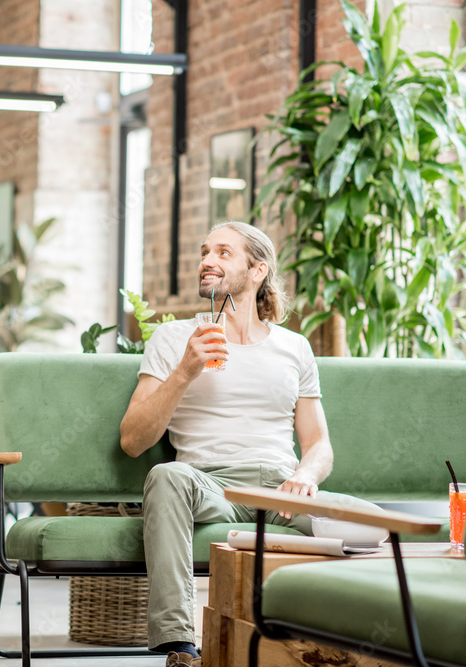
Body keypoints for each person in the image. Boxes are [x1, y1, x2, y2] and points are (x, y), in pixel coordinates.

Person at [119, 221, 378, 667]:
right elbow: (132, 440)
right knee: (166, 475)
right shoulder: (174, 338)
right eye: (204, 252)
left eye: (223, 252)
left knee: (375, 525)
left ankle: (346, 643)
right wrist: (185, 371)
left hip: (281, 492)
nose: (206, 261)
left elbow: (318, 444)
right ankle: (179, 645)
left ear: (258, 271)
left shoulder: (293, 348)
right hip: (209, 486)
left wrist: (304, 476)